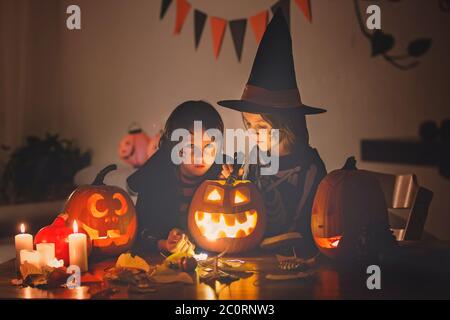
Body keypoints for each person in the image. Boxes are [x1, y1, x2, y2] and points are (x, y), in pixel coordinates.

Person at [218, 9, 327, 256]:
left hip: (293, 259)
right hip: (255, 255)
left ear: (287, 125)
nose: (252, 134)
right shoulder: (257, 157)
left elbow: (307, 228)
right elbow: (248, 203)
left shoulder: (310, 169)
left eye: (261, 127)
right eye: (248, 125)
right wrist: (234, 182)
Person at [127, 100, 224, 254]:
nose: (200, 155)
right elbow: (139, 232)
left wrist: (233, 181)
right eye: (191, 146)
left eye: (209, 146)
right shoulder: (156, 178)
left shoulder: (222, 176)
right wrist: (164, 244)